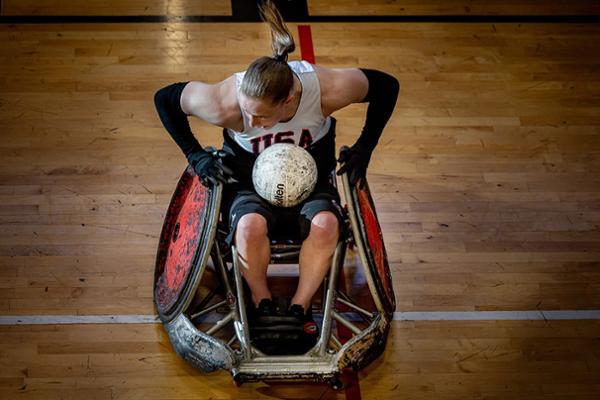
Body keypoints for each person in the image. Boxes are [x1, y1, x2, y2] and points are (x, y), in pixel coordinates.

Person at [154, 0, 399, 351]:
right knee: (248, 227)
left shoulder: (325, 89)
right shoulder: (225, 101)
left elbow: (386, 86)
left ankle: (300, 306)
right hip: (247, 182)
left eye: (261, 117)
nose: (251, 123)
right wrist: (195, 156)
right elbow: (164, 99)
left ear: (288, 102)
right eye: (247, 114)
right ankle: (261, 301)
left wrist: (365, 147)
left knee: (328, 226)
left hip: (311, 183)